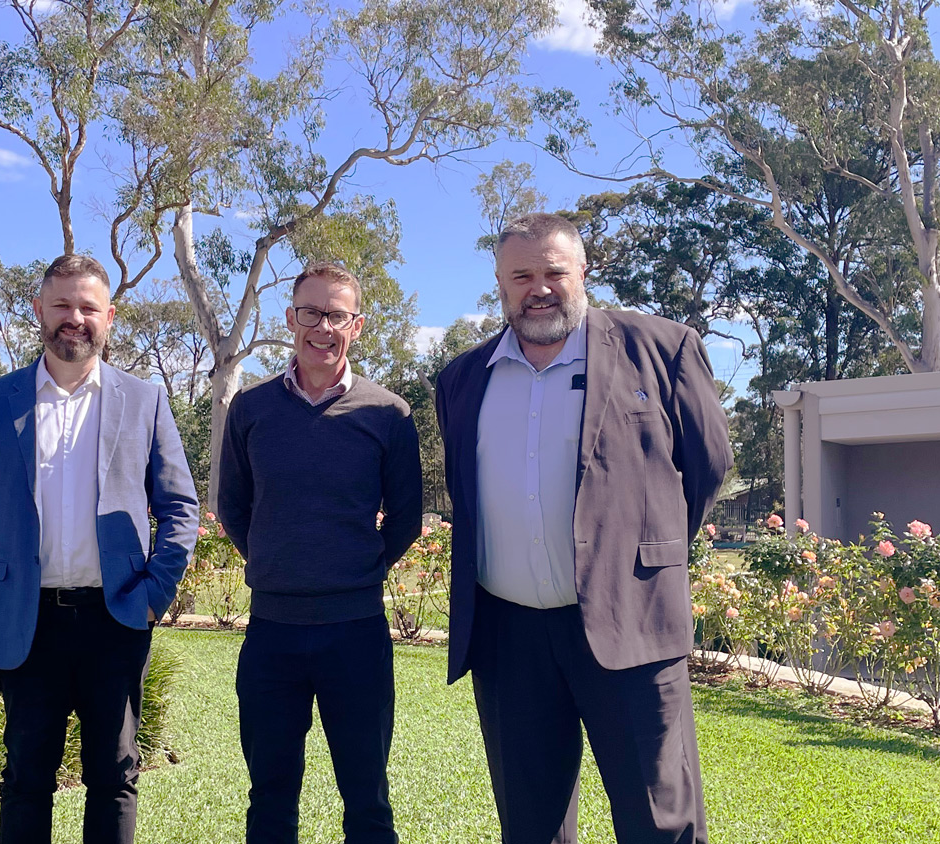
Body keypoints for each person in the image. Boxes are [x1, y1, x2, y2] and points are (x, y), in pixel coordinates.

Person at [434, 213, 732, 844]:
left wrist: (643, 554)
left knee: (661, 826)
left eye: (553, 272)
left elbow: (708, 468)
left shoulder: (660, 348)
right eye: (521, 275)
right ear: (499, 282)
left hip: (631, 624)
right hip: (508, 639)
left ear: (583, 272)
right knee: (531, 828)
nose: (538, 288)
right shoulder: (462, 378)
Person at [0, 254, 199, 844]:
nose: (74, 318)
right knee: (26, 778)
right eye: (62, 304)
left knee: (113, 777)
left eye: (88, 307)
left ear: (109, 316)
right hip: (26, 623)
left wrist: (155, 595)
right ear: (38, 310)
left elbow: (181, 509)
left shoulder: (145, 400)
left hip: (117, 617)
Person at [218, 261, 424, 844]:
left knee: (367, 795)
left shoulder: (388, 413)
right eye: (311, 312)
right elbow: (234, 507)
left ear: (355, 326)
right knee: (270, 796)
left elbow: (406, 517)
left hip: (355, 632)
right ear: (290, 319)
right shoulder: (252, 411)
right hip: (272, 635)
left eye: (337, 315)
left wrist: (354, 570)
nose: (323, 327)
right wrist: (279, 561)